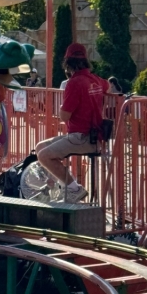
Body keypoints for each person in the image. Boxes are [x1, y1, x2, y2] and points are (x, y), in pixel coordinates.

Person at [35, 43, 109, 203]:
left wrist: (62, 105)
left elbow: (64, 116)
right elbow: (110, 86)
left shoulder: (74, 83)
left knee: (44, 156)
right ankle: (64, 186)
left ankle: (74, 189)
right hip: (93, 135)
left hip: (83, 137)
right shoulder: (95, 79)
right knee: (40, 146)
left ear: (67, 64)